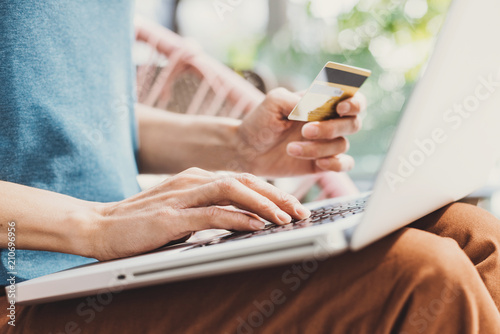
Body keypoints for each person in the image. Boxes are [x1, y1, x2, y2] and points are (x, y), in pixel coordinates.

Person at [0, 1, 499, 333]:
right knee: (417, 276)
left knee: (476, 234)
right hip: (21, 290)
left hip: (111, 270)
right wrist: (96, 223)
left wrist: (236, 146)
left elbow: (73, 119)